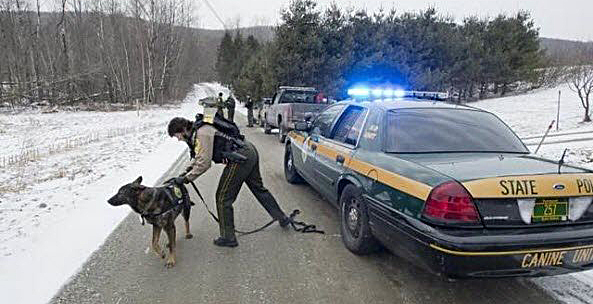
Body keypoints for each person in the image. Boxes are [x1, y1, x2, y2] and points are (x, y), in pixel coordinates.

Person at [167, 109, 290, 247]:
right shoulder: (200, 130)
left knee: (222, 197)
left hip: (240, 158)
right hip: (248, 150)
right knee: (258, 189)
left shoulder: (201, 133)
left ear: (183, 129)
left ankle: (228, 237)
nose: (178, 139)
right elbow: (198, 157)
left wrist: (186, 179)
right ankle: (282, 217)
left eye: (177, 135)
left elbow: (204, 163)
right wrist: (182, 174)